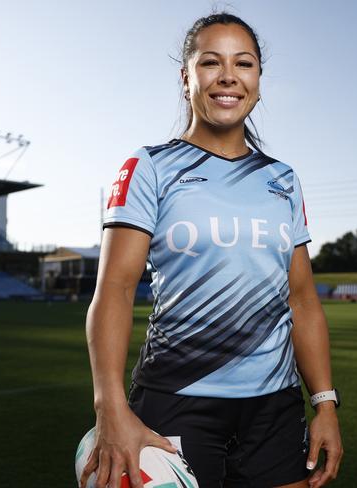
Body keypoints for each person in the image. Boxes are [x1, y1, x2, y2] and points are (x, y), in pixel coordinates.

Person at [81, 12, 343, 488]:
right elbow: (115, 289)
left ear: (258, 81)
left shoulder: (283, 180)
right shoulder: (150, 167)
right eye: (210, 63)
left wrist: (324, 402)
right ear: (187, 79)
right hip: (176, 398)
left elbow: (302, 299)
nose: (228, 76)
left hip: (274, 406)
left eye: (243, 64)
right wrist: (110, 407)